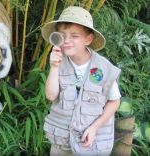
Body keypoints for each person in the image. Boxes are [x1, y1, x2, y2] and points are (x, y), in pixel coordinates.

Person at [41, 6, 121, 156]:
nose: (67, 41)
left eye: (74, 36)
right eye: (62, 35)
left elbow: (114, 101)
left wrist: (95, 127)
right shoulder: (58, 61)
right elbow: (51, 96)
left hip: (92, 143)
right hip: (61, 142)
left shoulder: (103, 68)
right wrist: (53, 67)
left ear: (88, 39)